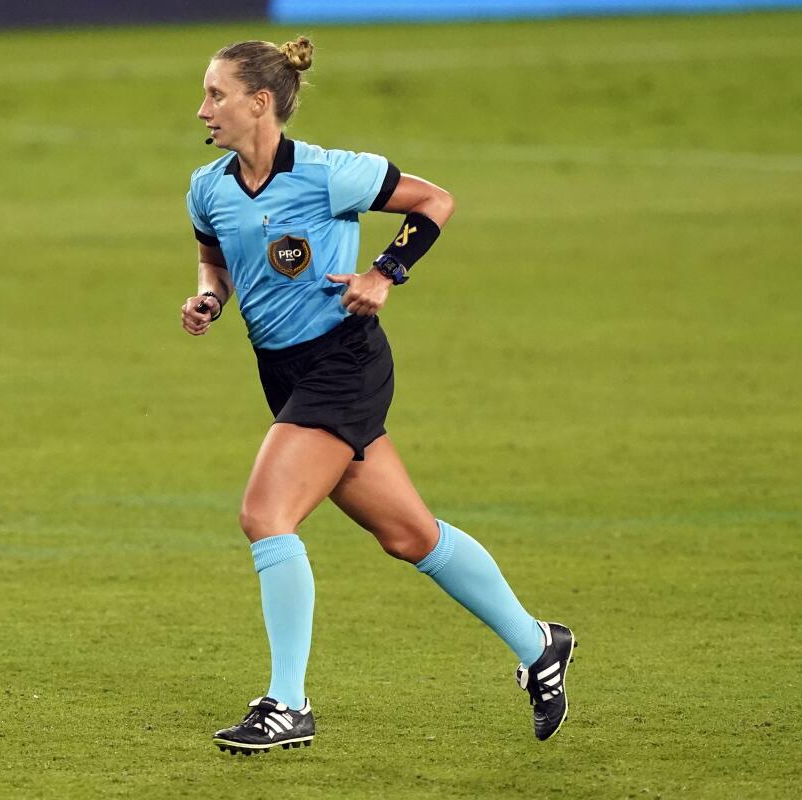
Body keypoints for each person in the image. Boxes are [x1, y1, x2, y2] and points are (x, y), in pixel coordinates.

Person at [180, 36, 575, 755]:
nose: (202, 108)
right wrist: (208, 299)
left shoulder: (331, 174)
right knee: (409, 534)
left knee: (265, 515)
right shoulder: (208, 187)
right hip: (284, 375)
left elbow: (434, 201)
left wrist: (384, 273)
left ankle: (287, 703)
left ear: (260, 103)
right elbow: (215, 258)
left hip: (344, 363)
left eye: (216, 94)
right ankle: (539, 642)